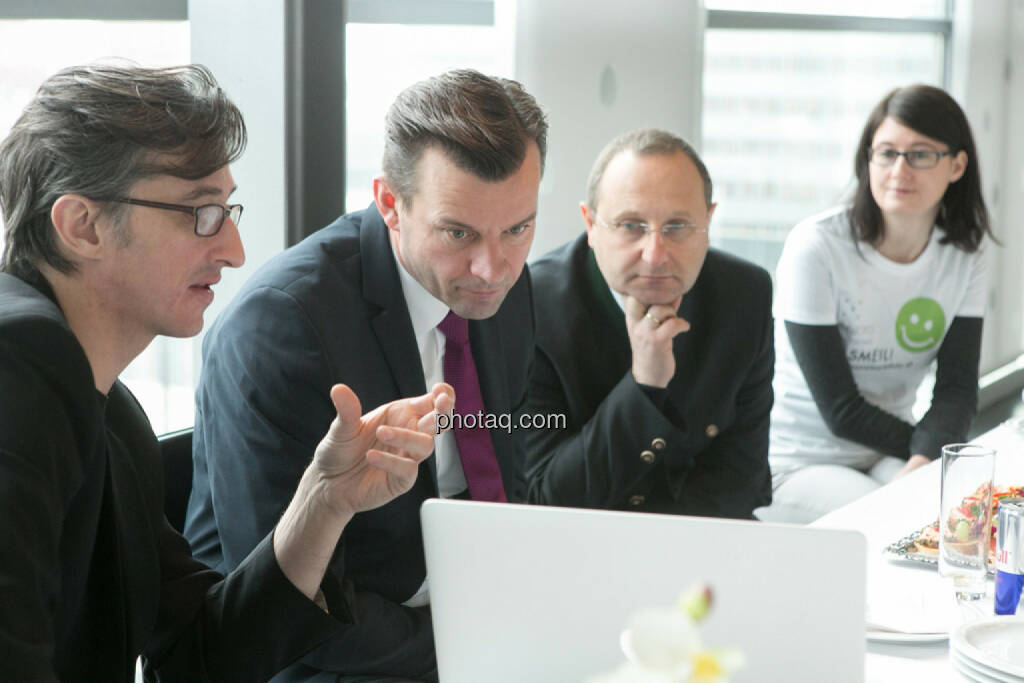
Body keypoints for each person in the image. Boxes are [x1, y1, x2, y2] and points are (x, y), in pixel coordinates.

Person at [0, 63, 453, 683]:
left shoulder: (111, 412)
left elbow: (198, 657)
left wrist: (323, 500)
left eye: (226, 210)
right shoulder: (18, 362)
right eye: (200, 212)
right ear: (84, 225)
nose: (235, 250)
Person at [184, 69, 547, 682]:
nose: (493, 268)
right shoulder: (281, 328)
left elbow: (503, 473)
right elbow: (296, 607)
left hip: (466, 615)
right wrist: (471, 643)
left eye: (518, 228)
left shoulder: (505, 283)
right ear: (389, 204)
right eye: (458, 232)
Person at [761, 84, 991, 524]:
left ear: (957, 165)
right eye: (886, 153)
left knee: (967, 517)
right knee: (904, 520)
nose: (899, 170)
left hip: (885, 452)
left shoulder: (965, 255)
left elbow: (957, 389)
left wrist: (924, 460)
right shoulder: (816, 248)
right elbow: (840, 410)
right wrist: (926, 450)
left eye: (920, 154)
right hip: (795, 462)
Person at [524, 128, 773, 518]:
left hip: (703, 539)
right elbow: (545, 496)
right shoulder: (532, 305)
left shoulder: (745, 294)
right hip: (577, 543)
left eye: (677, 227)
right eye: (630, 226)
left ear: (708, 222)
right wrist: (644, 386)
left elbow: (743, 477)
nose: (655, 255)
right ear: (590, 225)